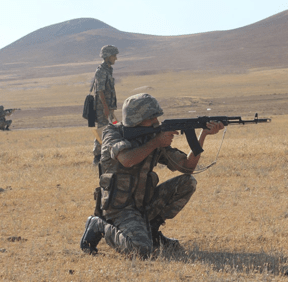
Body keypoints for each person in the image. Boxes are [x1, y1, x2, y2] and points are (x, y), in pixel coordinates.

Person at [80, 93, 224, 258]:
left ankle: (151, 231)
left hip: (143, 206)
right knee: (140, 251)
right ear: (136, 119)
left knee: (187, 182)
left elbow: (187, 167)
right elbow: (127, 160)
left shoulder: (153, 136)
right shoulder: (113, 133)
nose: (157, 122)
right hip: (119, 209)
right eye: (152, 118)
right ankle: (99, 225)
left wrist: (203, 135)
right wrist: (156, 142)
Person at [91, 45, 119, 165]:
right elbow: (100, 91)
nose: (115, 58)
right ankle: (97, 157)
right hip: (103, 108)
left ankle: (109, 155)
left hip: (109, 107)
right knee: (103, 130)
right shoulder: (101, 71)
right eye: (114, 56)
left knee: (113, 128)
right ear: (107, 56)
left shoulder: (108, 70)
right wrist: (105, 108)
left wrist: (111, 109)